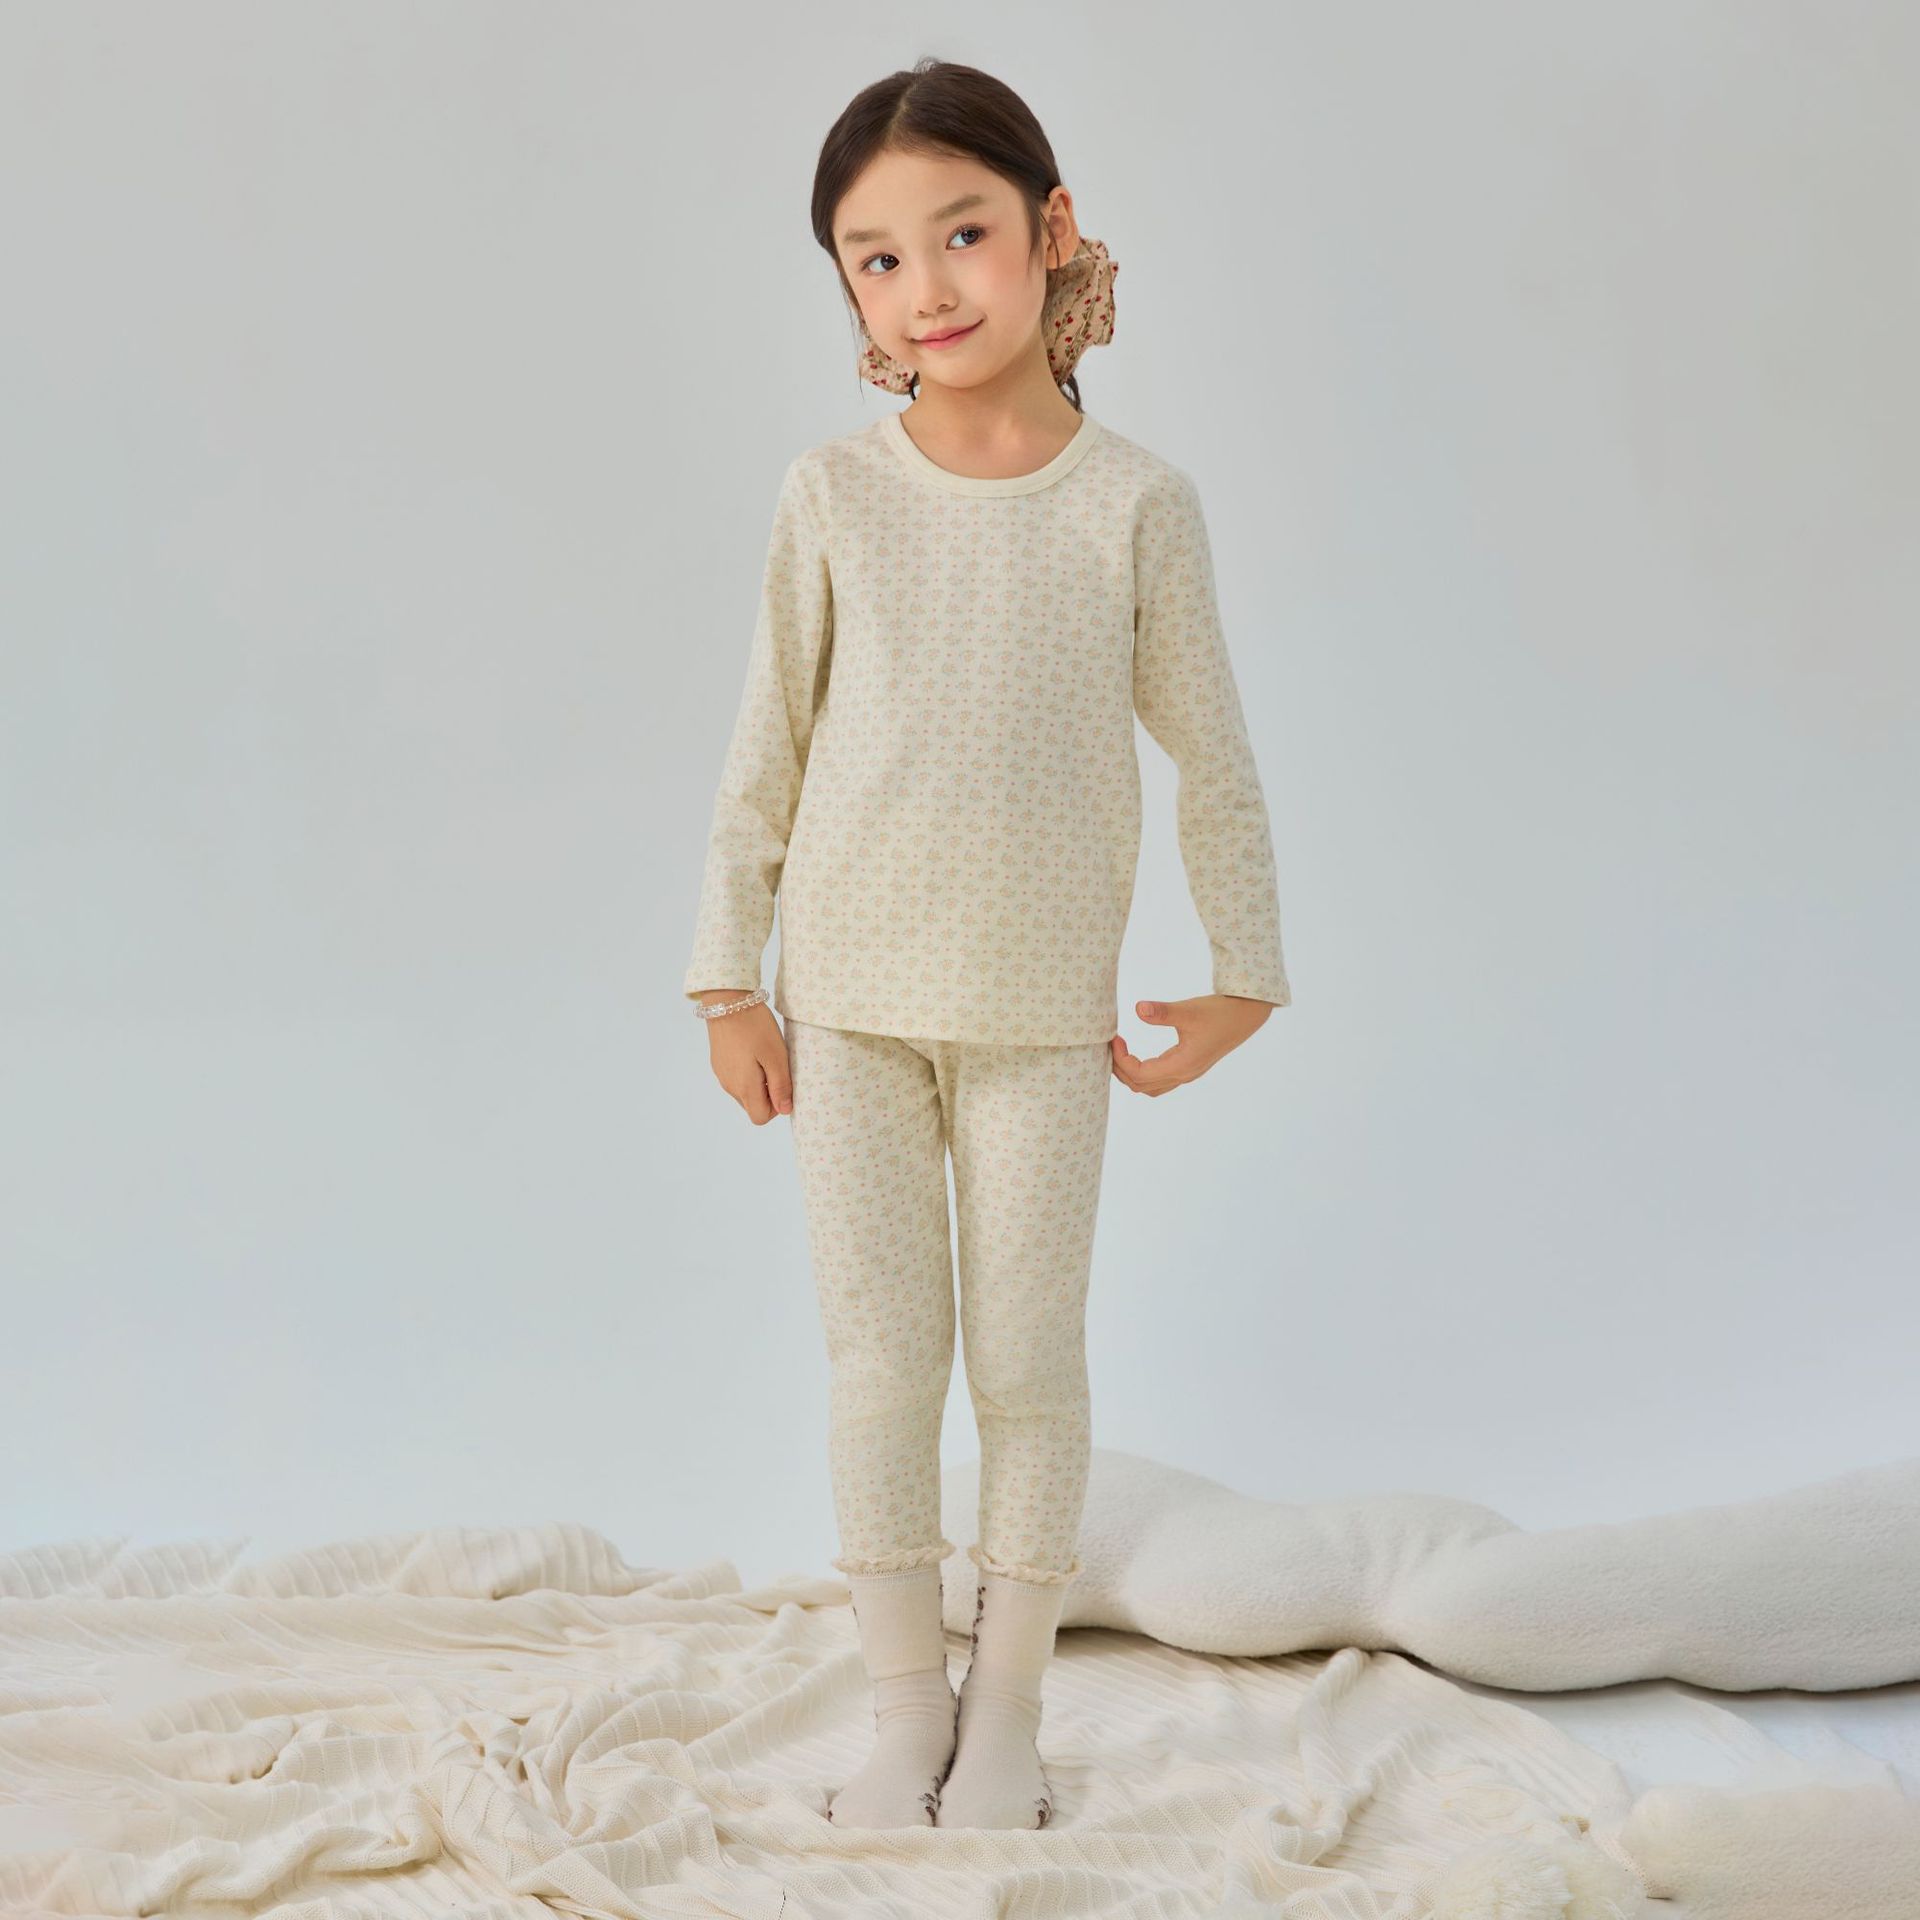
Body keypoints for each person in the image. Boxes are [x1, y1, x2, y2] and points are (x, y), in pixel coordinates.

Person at [682, 57, 1291, 1833]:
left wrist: (1244, 972)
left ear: (1051, 228)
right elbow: (766, 746)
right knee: (881, 1364)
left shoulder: (1135, 505)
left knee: (1029, 1364)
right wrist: (724, 978)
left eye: (960, 234)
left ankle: (1007, 1705)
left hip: (1040, 1016)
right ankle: (902, 1710)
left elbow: (1213, 750)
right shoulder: (831, 495)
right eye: (876, 260)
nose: (926, 287)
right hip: (848, 1007)